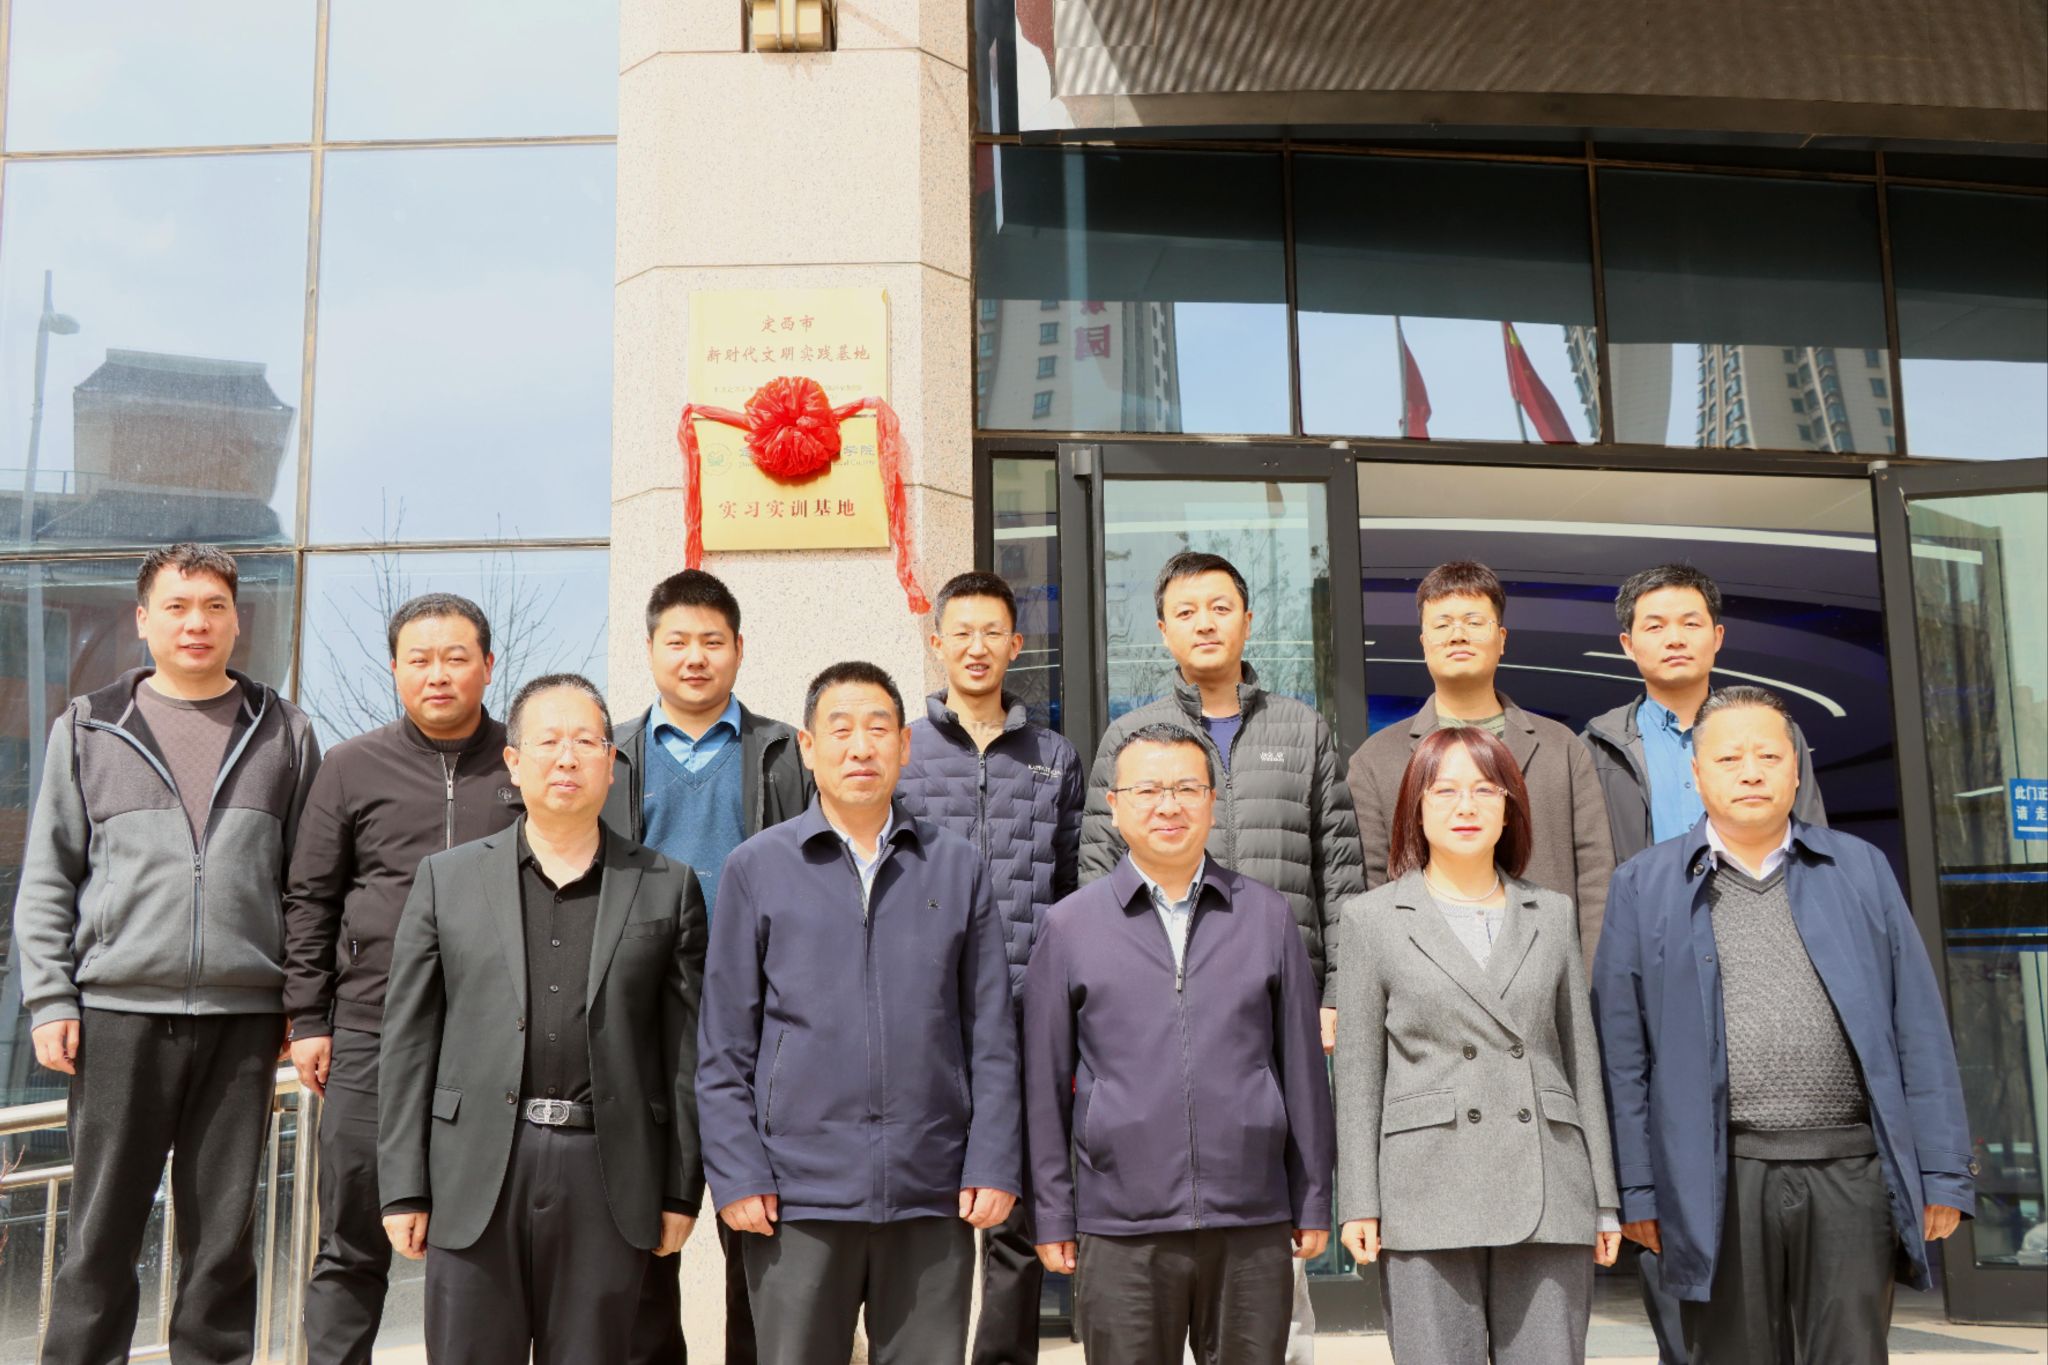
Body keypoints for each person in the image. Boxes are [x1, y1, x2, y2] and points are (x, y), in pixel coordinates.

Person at [1592, 686, 1974, 1365]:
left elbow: (1918, 1025)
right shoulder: (1643, 884)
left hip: (1851, 1171)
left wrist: (1943, 1171)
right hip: (1717, 1177)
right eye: (1729, 757)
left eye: (1769, 756)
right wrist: (1639, 1188)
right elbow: (1623, 1057)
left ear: (1796, 770)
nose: (1751, 772)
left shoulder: (1859, 868)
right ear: (1696, 773)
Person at [12, 543, 322, 1365]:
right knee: (100, 1233)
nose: (196, 623)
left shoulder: (285, 730)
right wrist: (50, 998)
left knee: (223, 1240)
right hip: (116, 1015)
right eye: (178, 607)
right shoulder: (88, 724)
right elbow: (48, 875)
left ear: (237, 621)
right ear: (143, 619)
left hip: (243, 1020)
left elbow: (307, 887)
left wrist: (303, 1003)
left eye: (214, 606)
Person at [697, 661, 1022, 1365]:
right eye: (839, 730)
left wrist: (993, 1159)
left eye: (878, 729)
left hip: (930, 1189)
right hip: (796, 1196)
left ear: (904, 745)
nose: (860, 747)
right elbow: (723, 1045)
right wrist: (738, 1172)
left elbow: (992, 1034)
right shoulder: (757, 867)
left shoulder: (955, 866)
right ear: (808, 748)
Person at [377, 674, 707, 1364]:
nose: (566, 758)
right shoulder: (446, 879)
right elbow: (409, 1043)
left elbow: (684, 1053)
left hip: (606, 1172)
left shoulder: (665, 885)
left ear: (611, 763)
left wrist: (681, 1189)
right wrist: (403, 1186)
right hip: (477, 1168)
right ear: (513, 760)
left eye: (586, 742)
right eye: (548, 741)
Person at [1080, 551, 1359, 1361]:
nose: (1204, 622)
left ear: (1248, 620)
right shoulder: (1131, 738)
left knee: (1270, 1216)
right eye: (1186, 610)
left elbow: (1341, 871)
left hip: (1278, 1009)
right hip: (1155, 1014)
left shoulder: (1301, 728)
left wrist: (1334, 990)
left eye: (1220, 606)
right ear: (1162, 630)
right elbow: (1096, 878)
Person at [1579, 562, 1827, 1364]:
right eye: (1654, 625)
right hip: (1656, 981)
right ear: (1627, 644)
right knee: (1677, 1207)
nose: (1674, 637)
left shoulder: (1773, 736)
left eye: (1690, 622)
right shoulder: (1597, 748)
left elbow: (1815, 856)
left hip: (1767, 976)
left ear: (1718, 636)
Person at [1026, 723, 1334, 1364]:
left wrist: (1311, 1198)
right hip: (1121, 1225)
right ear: (1115, 805)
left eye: (1187, 789)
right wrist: (1053, 1212)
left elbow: (1303, 1071)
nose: (1168, 806)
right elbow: (1044, 1086)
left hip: (1250, 1219)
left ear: (1212, 801)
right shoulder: (1070, 926)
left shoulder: (1266, 915)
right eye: (1148, 790)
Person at [1333, 727, 1620, 1363]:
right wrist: (1359, 1202)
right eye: (1445, 791)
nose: (1466, 806)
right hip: (1424, 1185)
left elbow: (1580, 1058)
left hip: (1548, 1180)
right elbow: (1357, 1075)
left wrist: (1603, 1199)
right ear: (1416, 807)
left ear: (1510, 809)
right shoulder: (1372, 919)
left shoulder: (1552, 912)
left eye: (1486, 791)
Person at [282, 593, 517, 1364]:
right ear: (394, 669)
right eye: (420, 659)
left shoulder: (522, 761)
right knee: (351, 1236)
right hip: (370, 1032)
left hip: (493, 1040)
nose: (437, 674)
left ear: (488, 664)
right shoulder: (351, 765)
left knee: (484, 1239)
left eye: (456, 657)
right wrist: (308, 1017)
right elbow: (310, 897)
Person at [600, 568, 810, 1364]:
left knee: (761, 1236)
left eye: (712, 641)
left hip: (758, 1020)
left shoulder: (785, 753)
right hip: (642, 1020)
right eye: (678, 641)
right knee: (640, 1235)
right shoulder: (612, 755)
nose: (695, 657)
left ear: (739, 649)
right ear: (650, 647)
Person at [898, 570, 1083, 1365]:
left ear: (1017, 644)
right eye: (961, 632)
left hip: (1023, 1017)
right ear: (936, 641)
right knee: (931, 1213)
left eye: (993, 633)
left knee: (1014, 1217)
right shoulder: (903, 750)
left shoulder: (1053, 756)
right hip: (926, 1018)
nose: (977, 648)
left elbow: (1074, 887)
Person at [1348, 560, 1614, 964]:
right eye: (1442, 624)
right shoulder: (1376, 759)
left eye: (1474, 622)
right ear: (1423, 642)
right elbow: (1369, 884)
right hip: (1425, 980)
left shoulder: (1561, 747)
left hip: (1548, 976)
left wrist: (1589, 982)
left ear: (1501, 638)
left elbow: (1596, 877)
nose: (1458, 634)